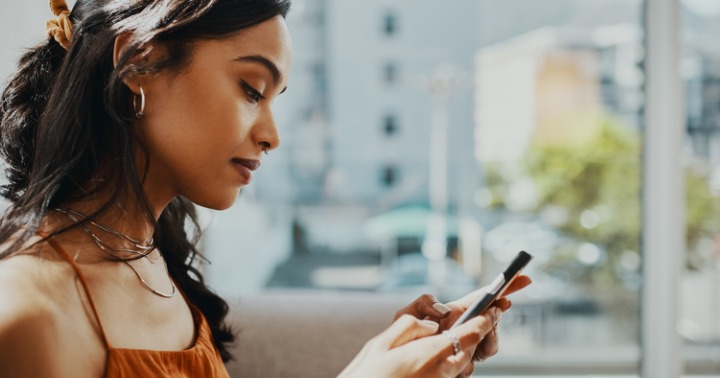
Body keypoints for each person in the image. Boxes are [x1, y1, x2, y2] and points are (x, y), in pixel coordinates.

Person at [0, 0, 531, 377]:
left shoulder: (153, 261)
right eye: (252, 89)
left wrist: (383, 360)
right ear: (138, 62)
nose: (272, 136)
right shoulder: (29, 316)